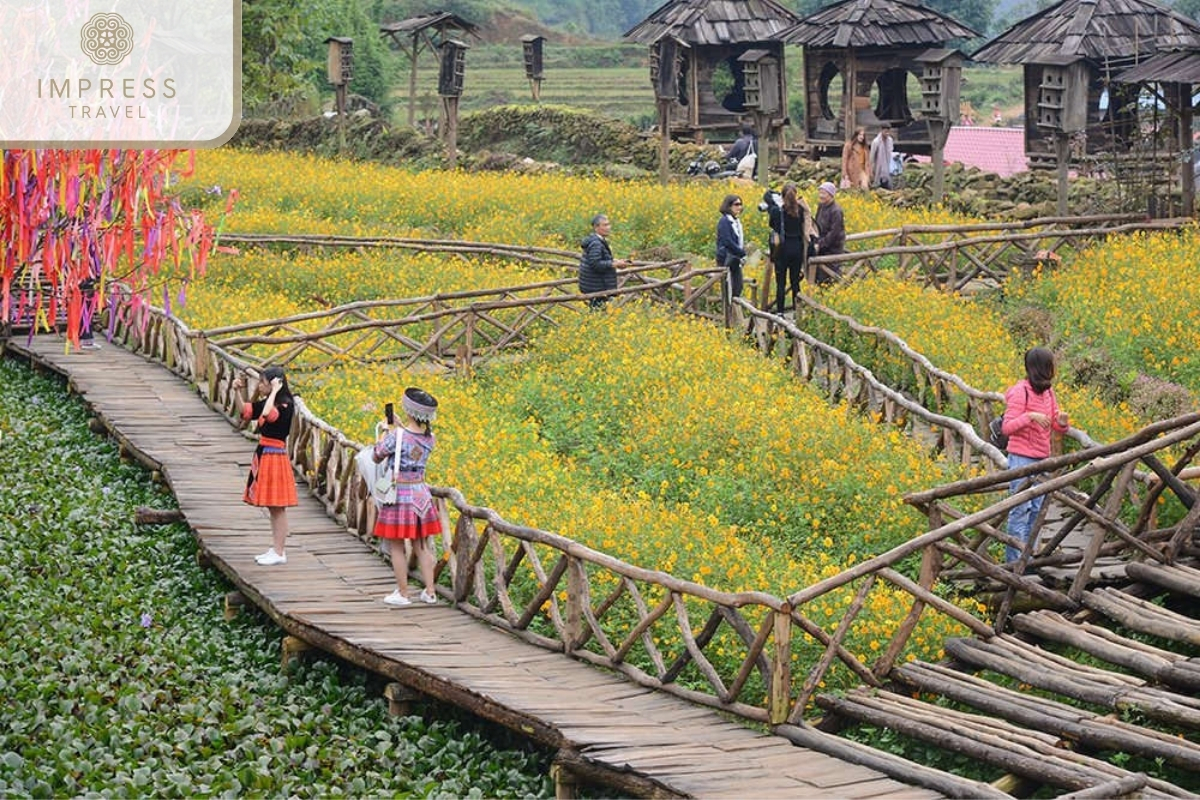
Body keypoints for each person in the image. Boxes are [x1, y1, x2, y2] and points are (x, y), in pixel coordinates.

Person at [1000, 347, 1069, 564]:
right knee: (1020, 509)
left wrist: (1063, 423)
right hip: (1021, 457)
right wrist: (1030, 416)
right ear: (1041, 367)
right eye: (1051, 365)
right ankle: (1014, 562)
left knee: (1038, 510)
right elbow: (1007, 427)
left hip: (1042, 457)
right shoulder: (1021, 391)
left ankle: (1029, 559)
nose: (1054, 369)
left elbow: (1055, 424)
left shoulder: (1048, 392)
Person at [374, 387, 442, 607]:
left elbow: (377, 455)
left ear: (409, 410)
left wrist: (385, 430)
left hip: (400, 494)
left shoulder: (396, 436)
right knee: (421, 545)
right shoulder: (430, 438)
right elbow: (412, 440)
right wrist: (401, 428)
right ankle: (430, 592)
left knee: (396, 546)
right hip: (420, 493)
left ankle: (403, 594)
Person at [235, 366, 298, 566]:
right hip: (265, 454)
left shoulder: (285, 405)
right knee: (273, 507)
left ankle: (280, 551)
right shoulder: (270, 402)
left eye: (263, 382)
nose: (259, 385)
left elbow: (269, 414)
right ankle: (276, 548)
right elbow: (245, 412)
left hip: (275, 455)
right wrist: (236, 391)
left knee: (277, 507)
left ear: (274, 384)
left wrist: (276, 392)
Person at [766, 183, 813, 313]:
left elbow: (772, 226)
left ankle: (780, 312)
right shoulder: (801, 210)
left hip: (782, 250)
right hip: (797, 249)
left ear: (781, 196)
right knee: (795, 282)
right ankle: (796, 311)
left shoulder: (777, 211)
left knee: (781, 283)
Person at [578, 214, 629, 309]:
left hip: (593, 285)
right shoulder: (596, 244)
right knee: (598, 312)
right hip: (595, 287)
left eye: (608, 224)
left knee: (597, 312)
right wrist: (614, 264)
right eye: (605, 225)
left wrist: (615, 261)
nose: (608, 227)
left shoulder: (596, 240)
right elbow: (595, 264)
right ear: (596, 227)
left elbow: (599, 259)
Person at [715, 194, 747, 300]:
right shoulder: (724, 221)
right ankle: (729, 313)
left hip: (734, 258)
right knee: (729, 287)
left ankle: (734, 311)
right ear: (728, 206)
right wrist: (742, 253)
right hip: (726, 258)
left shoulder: (736, 221)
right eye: (736, 204)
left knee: (737, 286)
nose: (739, 207)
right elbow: (727, 241)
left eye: (740, 204)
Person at [813, 182, 845, 285]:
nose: (821, 196)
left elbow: (834, 232)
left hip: (832, 247)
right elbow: (816, 223)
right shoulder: (821, 206)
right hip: (821, 243)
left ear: (831, 195)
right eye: (820, 193)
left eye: (824, 193)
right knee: (818, 274)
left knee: (829, 274)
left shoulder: (836, 211)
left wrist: (821, 244)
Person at [868, 125, 895, 189]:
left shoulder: (890, 140)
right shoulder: (876, 141)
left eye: (888, 132)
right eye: (885, 132)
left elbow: (891, 151)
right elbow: (871, 156)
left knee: (888, 185)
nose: (887, 133)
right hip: (878, 167)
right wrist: (870, 169)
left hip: (887, 166)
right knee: (877, 185)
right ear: (882, 131)